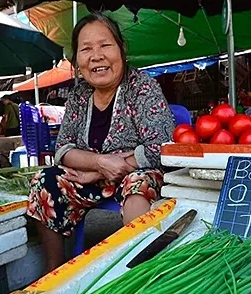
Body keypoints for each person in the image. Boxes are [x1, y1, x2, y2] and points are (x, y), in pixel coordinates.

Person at [27, 12, 175, 272]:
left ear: (122, 49)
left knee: (138, 184)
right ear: (77, 61)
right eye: (86, 49)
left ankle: (138, 270)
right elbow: (63, 149)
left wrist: (100, 169)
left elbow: (159, 148)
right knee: (45, 181)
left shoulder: (142, 88)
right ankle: (54, 269)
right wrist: (98, 164)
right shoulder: (79, 95)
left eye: (105, 45)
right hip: (90, 178)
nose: (96, 56)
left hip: (135, 172)